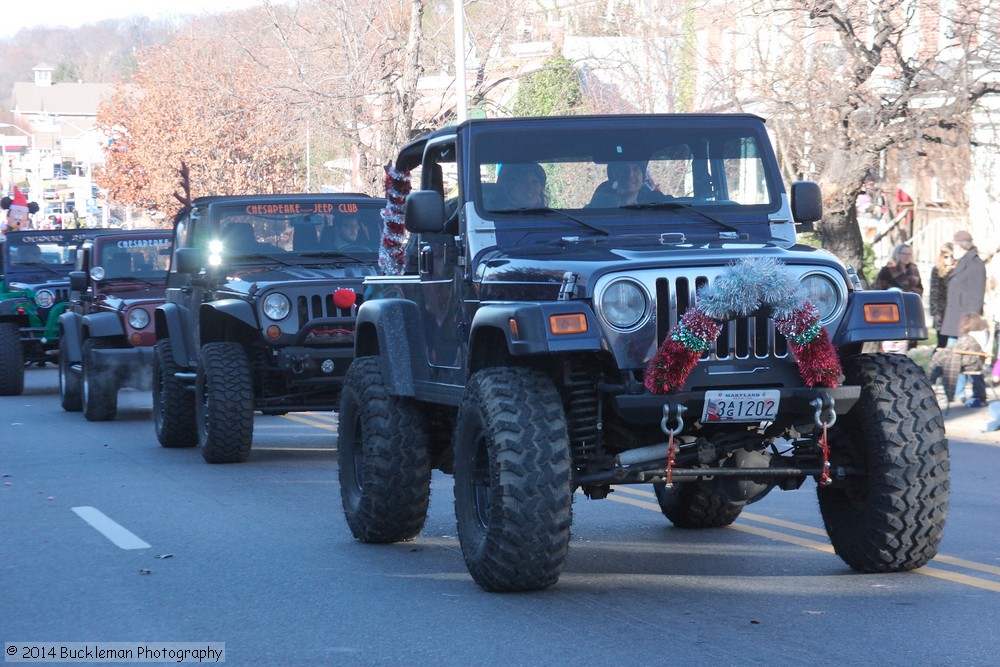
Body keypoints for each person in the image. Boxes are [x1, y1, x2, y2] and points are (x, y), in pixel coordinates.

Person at [872, 243, 923, 352]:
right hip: (890, 310)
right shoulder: (888, 270)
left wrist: (907, 293)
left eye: (909, 254)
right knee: (889, 342)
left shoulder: (914, 269)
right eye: (904, 253)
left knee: (904, 341)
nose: (907, 256)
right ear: (897, 254)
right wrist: (895, 294)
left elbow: (920, 289)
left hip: (908, 308)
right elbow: (878, 288)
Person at [940, 230, 986, 345]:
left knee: (957, 355)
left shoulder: (975, 264)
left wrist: (970, 323)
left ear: (959, 246)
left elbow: (977, 297)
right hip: (956, 319)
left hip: (963, 323)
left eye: (954, 245)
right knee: (951, 355)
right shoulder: (963, 262)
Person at [588, 161, 664, 207]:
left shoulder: (655, 202)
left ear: (643, 177)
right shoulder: (601, 204)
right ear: (616, 176)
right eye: (624, 170)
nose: (630, 175)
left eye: (635, 169)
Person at [928, 242, 955, 348]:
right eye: (946, 256)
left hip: (954, 310)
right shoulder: (937, 270)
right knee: (942, 342)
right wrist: (935, 313)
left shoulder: (959, 270)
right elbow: (934, 293)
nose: (950, 259)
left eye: (952, 256)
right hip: (942, 310)